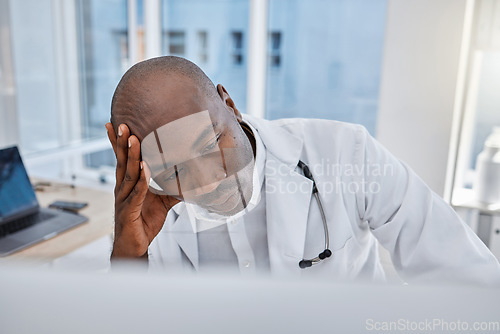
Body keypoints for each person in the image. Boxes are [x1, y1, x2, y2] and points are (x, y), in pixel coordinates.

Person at [105, 56, 500, 286]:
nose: (208, 179)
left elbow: (465, 277)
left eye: (210, 144)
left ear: (229, 104)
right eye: (176, 170)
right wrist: (129, 254)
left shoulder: (346, 153)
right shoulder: (150, 216)